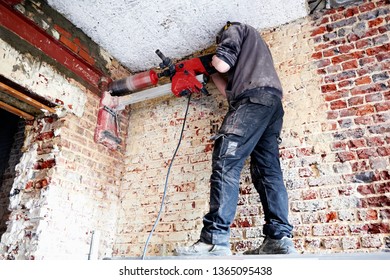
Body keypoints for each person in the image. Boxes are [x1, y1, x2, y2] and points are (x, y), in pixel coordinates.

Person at [174, 22, 297, 256]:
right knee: (267, 170)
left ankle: (214, 240)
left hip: (252, 101)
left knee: (225, 160)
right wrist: (209, 73)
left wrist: (212, 62)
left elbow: (221, 62)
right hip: (271, 106)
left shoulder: (237, 28)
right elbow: (227, 91)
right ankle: (278, 239)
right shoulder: (251, 64)